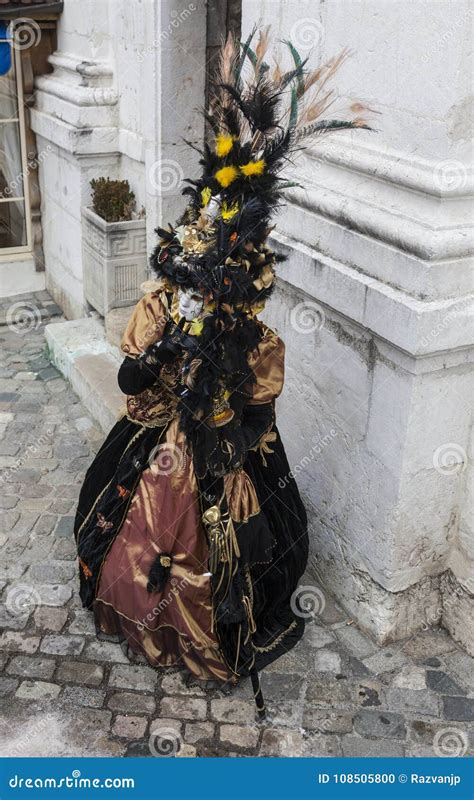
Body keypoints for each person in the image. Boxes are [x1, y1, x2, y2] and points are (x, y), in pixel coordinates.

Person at [74, 29, 370, 715]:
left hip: (221, 452)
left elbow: (262, 408)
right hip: (157, 444)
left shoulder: (256, 339)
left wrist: (229, 439)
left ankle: (206, 624)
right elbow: (127, 383)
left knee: (231, 541)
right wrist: (158, 356)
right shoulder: (158, 308)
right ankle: (146, 612)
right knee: (132, 536)